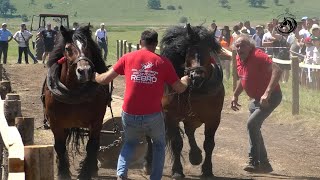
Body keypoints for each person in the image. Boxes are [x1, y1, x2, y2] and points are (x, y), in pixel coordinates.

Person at [94, 29, 190, 180]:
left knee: (129, 143)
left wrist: (95, 76)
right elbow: (179, 88)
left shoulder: (127, 58)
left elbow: (105, 79)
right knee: (159, 144)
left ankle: (121, 174)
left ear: (140, 42)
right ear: (156, 43)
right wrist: (185, 79)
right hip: (153, 115)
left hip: (129, 114)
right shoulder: (163, 62)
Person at [231, 34, 283, 173]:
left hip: (271, 97)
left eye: (242, 45)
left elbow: (277, 70)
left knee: (252, 124)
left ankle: (254, 161)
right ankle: (265, 164)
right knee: (254, 127)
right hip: (256, 100)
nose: (239, 48)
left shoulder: (258, 56)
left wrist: (267, 93)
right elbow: (243, 78)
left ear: (250, 46)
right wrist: (235, 95)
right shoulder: (239, 58)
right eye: (237, 46)